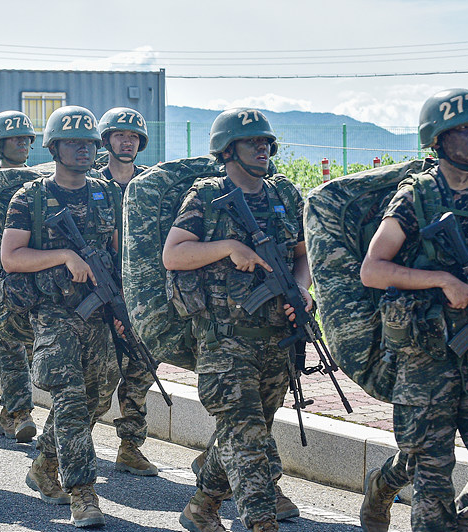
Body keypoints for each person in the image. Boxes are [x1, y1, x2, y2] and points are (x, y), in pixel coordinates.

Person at [360, 88, 468, 531]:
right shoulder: (415, 196)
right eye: (467, 129)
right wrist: (441, 280)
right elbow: (373, 270)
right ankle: (382, 486)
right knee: (431, 480)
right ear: (437, 140)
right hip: (427, 357)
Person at [163, 108, 308, 532]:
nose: (263, 148)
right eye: (252, 142)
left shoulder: (285, 195)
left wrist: (301, 289)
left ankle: (202, 505)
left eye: (266, 142)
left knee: (246, 433)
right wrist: (227, 246)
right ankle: (262, 524)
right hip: (225, 342)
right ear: (227, 150)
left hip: (276, 340)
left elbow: (302, 255)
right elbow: (174, 254)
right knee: (248, 445)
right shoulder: (206, 196)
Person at [1, 105, 120, 528]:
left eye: (89, 143)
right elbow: (11, 257)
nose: (84, 150)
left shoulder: (107, 193)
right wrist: (64, 255)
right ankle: (83, 494)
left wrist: (121, 307)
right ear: (54, 148)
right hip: (53, 315)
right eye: (73, 143)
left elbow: (117, 253)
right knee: (69, 398)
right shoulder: (30, 197)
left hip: (99, 314)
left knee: (97, 398)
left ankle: (44, 465)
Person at [90, 106, 159, 476]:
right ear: (107, 140)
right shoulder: (90, 184)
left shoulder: (150, 185)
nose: (127, 141)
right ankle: (62, 446)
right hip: (99, 296)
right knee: (99, 379)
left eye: (133, 136)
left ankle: (130, 446)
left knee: (142, 372)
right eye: (119, 135)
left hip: (141, 297)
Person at [0, 110, 38, 442]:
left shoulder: (40, 181)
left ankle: (8, 412)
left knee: (30, 348)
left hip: (33, 276)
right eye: (15, 138)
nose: (22, 143)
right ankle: (21, 414)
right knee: (11, 345)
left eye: (26, 138)